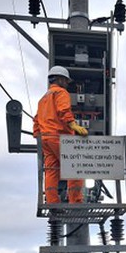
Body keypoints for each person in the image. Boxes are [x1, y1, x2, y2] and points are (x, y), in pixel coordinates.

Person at [32, 66, 88, 203]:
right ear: (60, 79)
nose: (67, 84)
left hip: (46, 139)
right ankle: (76, 200)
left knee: (52, 170)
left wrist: (37, 135)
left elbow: (36, 119)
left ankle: (52, 201)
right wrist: (73, 125)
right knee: (75, 166)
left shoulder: (43, 99)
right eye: (66, 81)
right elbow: (63, 110)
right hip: (59, 137)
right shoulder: (61, 93)